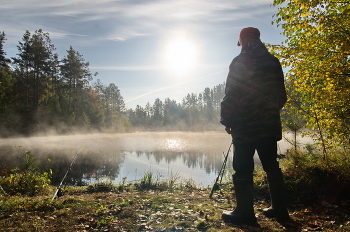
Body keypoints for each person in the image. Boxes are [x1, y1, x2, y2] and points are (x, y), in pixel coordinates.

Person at [220, 27, 290, 227]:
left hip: (245, 125)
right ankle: (280, 210)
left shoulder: (239, 61)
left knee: (242, 168)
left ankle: (245, 213)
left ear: (241, 41)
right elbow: (281, 95)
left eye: (239, 42)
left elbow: (231, 94)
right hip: (269, 124)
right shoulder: (273, 61)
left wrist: (227, 119)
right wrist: (269, 113)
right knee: (271, 165)